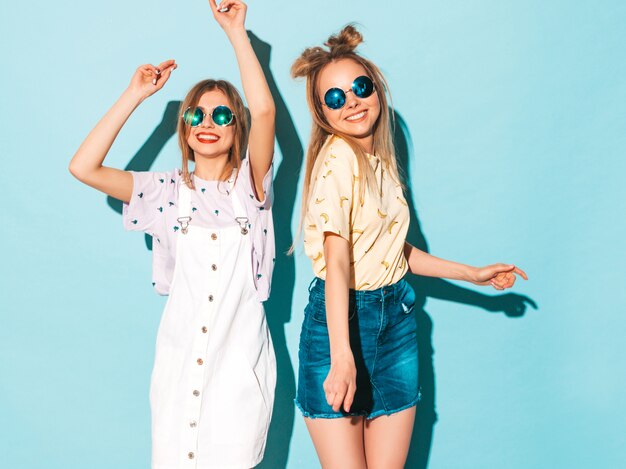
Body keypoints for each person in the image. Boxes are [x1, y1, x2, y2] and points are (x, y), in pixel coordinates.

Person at [291, 25, 528, 469]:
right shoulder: (339, 159)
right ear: (323, 113)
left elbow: (390, 253)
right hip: (340, 325)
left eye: (360, 88)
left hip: (395, 322)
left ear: (376, 89)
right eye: (336, 98)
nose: (353, 102)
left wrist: (471, 273)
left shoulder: (379, 160)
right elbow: (339, 263)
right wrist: (343, 355)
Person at [69, 1, 277, 467]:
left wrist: (236, 32)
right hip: (178, 372)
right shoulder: (162, 192)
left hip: (239, 372)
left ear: (236, 128)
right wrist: (134, 94)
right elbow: (83, 167)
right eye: (196, 115)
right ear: (184, 128)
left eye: (222, 116)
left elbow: (264, 111)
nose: (207, 124)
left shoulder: (251, 187)